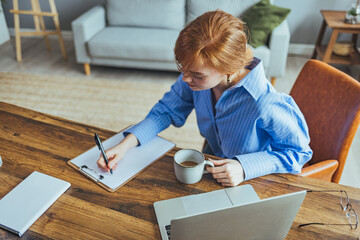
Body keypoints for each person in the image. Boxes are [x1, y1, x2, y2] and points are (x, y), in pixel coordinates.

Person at [97, 10, 312, 187]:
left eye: (197, 75)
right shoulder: (193, 80)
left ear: (230, 69)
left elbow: (299, 152)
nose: (185, 78)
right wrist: (126, 144)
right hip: (211, 158)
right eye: (183, 68)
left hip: (250, 177)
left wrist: (244, 167)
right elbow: (165, 110)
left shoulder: (265, 102)